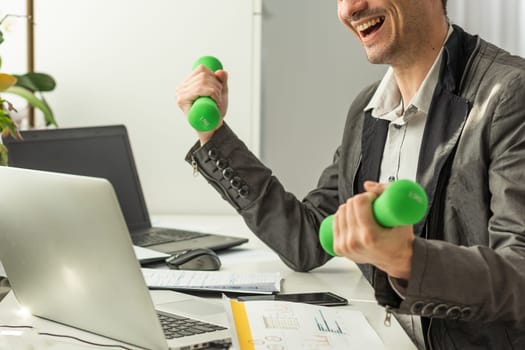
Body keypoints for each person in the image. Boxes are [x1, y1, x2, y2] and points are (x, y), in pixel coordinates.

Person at [176, 0, 525, 348]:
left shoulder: (510, 94)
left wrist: (406, 260)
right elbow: (306, 241)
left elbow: (519, 273)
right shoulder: (367, 109)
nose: (350, 8)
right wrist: (214, 135)